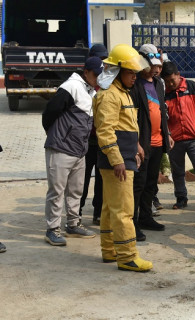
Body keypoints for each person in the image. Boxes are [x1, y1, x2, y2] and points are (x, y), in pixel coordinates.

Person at [93, 44, 153, 272]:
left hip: (122, 156)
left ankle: (110, 250)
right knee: (124, 210)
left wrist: (137, 145)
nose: (134, 77)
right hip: (117, 161)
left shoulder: (120, 92)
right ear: (117, 71)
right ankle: (127, 256)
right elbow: (106, 131)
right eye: (130, 73)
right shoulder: (110, 96)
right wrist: (117, 160)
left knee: (110, 207)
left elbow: (125, 125)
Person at [42, 56, 103, 246]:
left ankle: (73, 224)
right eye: (95, 75)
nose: (98, 78)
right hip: (61, 148)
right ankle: (52, 229)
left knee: (76, 190)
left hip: (79, 150)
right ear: (86, 72)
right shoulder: (71, 87)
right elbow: (49, 113)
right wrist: (56, 135)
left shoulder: (90, 90)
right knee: (56, 191)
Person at [161, 61, 195, 214]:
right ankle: (181, 198)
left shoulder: (192, 87)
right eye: (167, 81)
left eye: (173, 80)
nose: (170, 84)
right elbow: (162, 118)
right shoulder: (164, 93)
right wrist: (168, 135)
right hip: (175, 140)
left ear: (179, 75)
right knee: (177, 171)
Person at [129, 44, 173, 242]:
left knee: (150, 184)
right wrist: (136, 143)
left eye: (158, 66)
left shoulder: (158, 84)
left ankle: (146, 217)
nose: (156, 69)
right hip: (142, 143)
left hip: (158, 142)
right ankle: (133, 223)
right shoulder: (134, 84)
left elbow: (161, 111)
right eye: (152, 66)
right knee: (138, 184)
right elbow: (131, 118)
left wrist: (167, 133)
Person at [79, 44, 109, 226]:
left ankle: (98, 212)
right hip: (84, 141)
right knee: (80, 180)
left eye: (105, 59)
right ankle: (77, 212)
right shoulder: (80, 84)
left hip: (102, 141)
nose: (103, 62)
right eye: (100, 58)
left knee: (101, 180)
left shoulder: (107, 83)